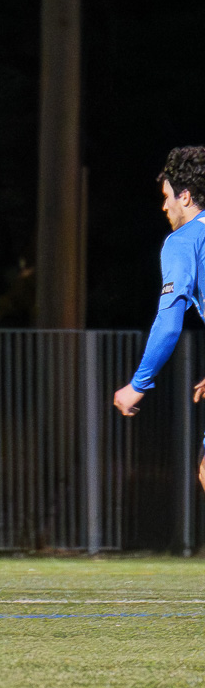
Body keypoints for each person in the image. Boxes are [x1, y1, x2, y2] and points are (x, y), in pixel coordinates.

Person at [114, 148, 205, 483]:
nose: (164, 206)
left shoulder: (183, 241)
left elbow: (168, 324)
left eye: (167, 197)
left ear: (185, 196)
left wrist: (138, 384)